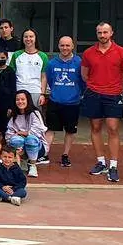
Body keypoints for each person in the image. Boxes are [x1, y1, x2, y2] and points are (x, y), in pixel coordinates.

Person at [81, 22, 123, 182]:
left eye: (105, 32)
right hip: (93, 94)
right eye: (99, 33)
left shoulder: (122, 52)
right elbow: (84, 74)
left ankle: (113, 165)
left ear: (111, 33)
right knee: (95, 127)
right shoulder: (89, 52)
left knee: (112, 128)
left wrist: (114, 86)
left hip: (113, 95)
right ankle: (101, 162)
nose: (102, 35)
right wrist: (95, 86)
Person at [46, 36, 84, 168]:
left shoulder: (79, 62)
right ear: (58, 46)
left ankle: (65, 155)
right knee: (50, 129)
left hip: (72, 103)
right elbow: (50, 80)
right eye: (62, 45)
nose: (65, 48)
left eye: (68, 45)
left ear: (72, 46)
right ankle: (45, 153)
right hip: (54, 101)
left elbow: (83, 80)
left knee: (70, 131)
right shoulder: (52, 63)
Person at [7, 90, 47, 178]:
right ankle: (18, 163)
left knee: (31, 139)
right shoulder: (14, 115)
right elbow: (9, 134)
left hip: (37, 147)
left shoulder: (35, 113)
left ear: (28, 100)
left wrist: (20, 133)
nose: (20, 101)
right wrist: (18, 137)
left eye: (23, 99)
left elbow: (36, 132)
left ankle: (33, 165)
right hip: (20, 147)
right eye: (17, 99)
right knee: (15, 140)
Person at [12, 28, 49, 110]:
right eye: (26, 37)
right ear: (22, 39)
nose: (28, 39)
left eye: (31, 36)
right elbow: (11, 75)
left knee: (35, 118)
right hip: (19, 91)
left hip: (35, 91)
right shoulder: (16, 55)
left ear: (35, 38)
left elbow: (44, 77)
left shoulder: (43, 56)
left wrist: (42, 94)